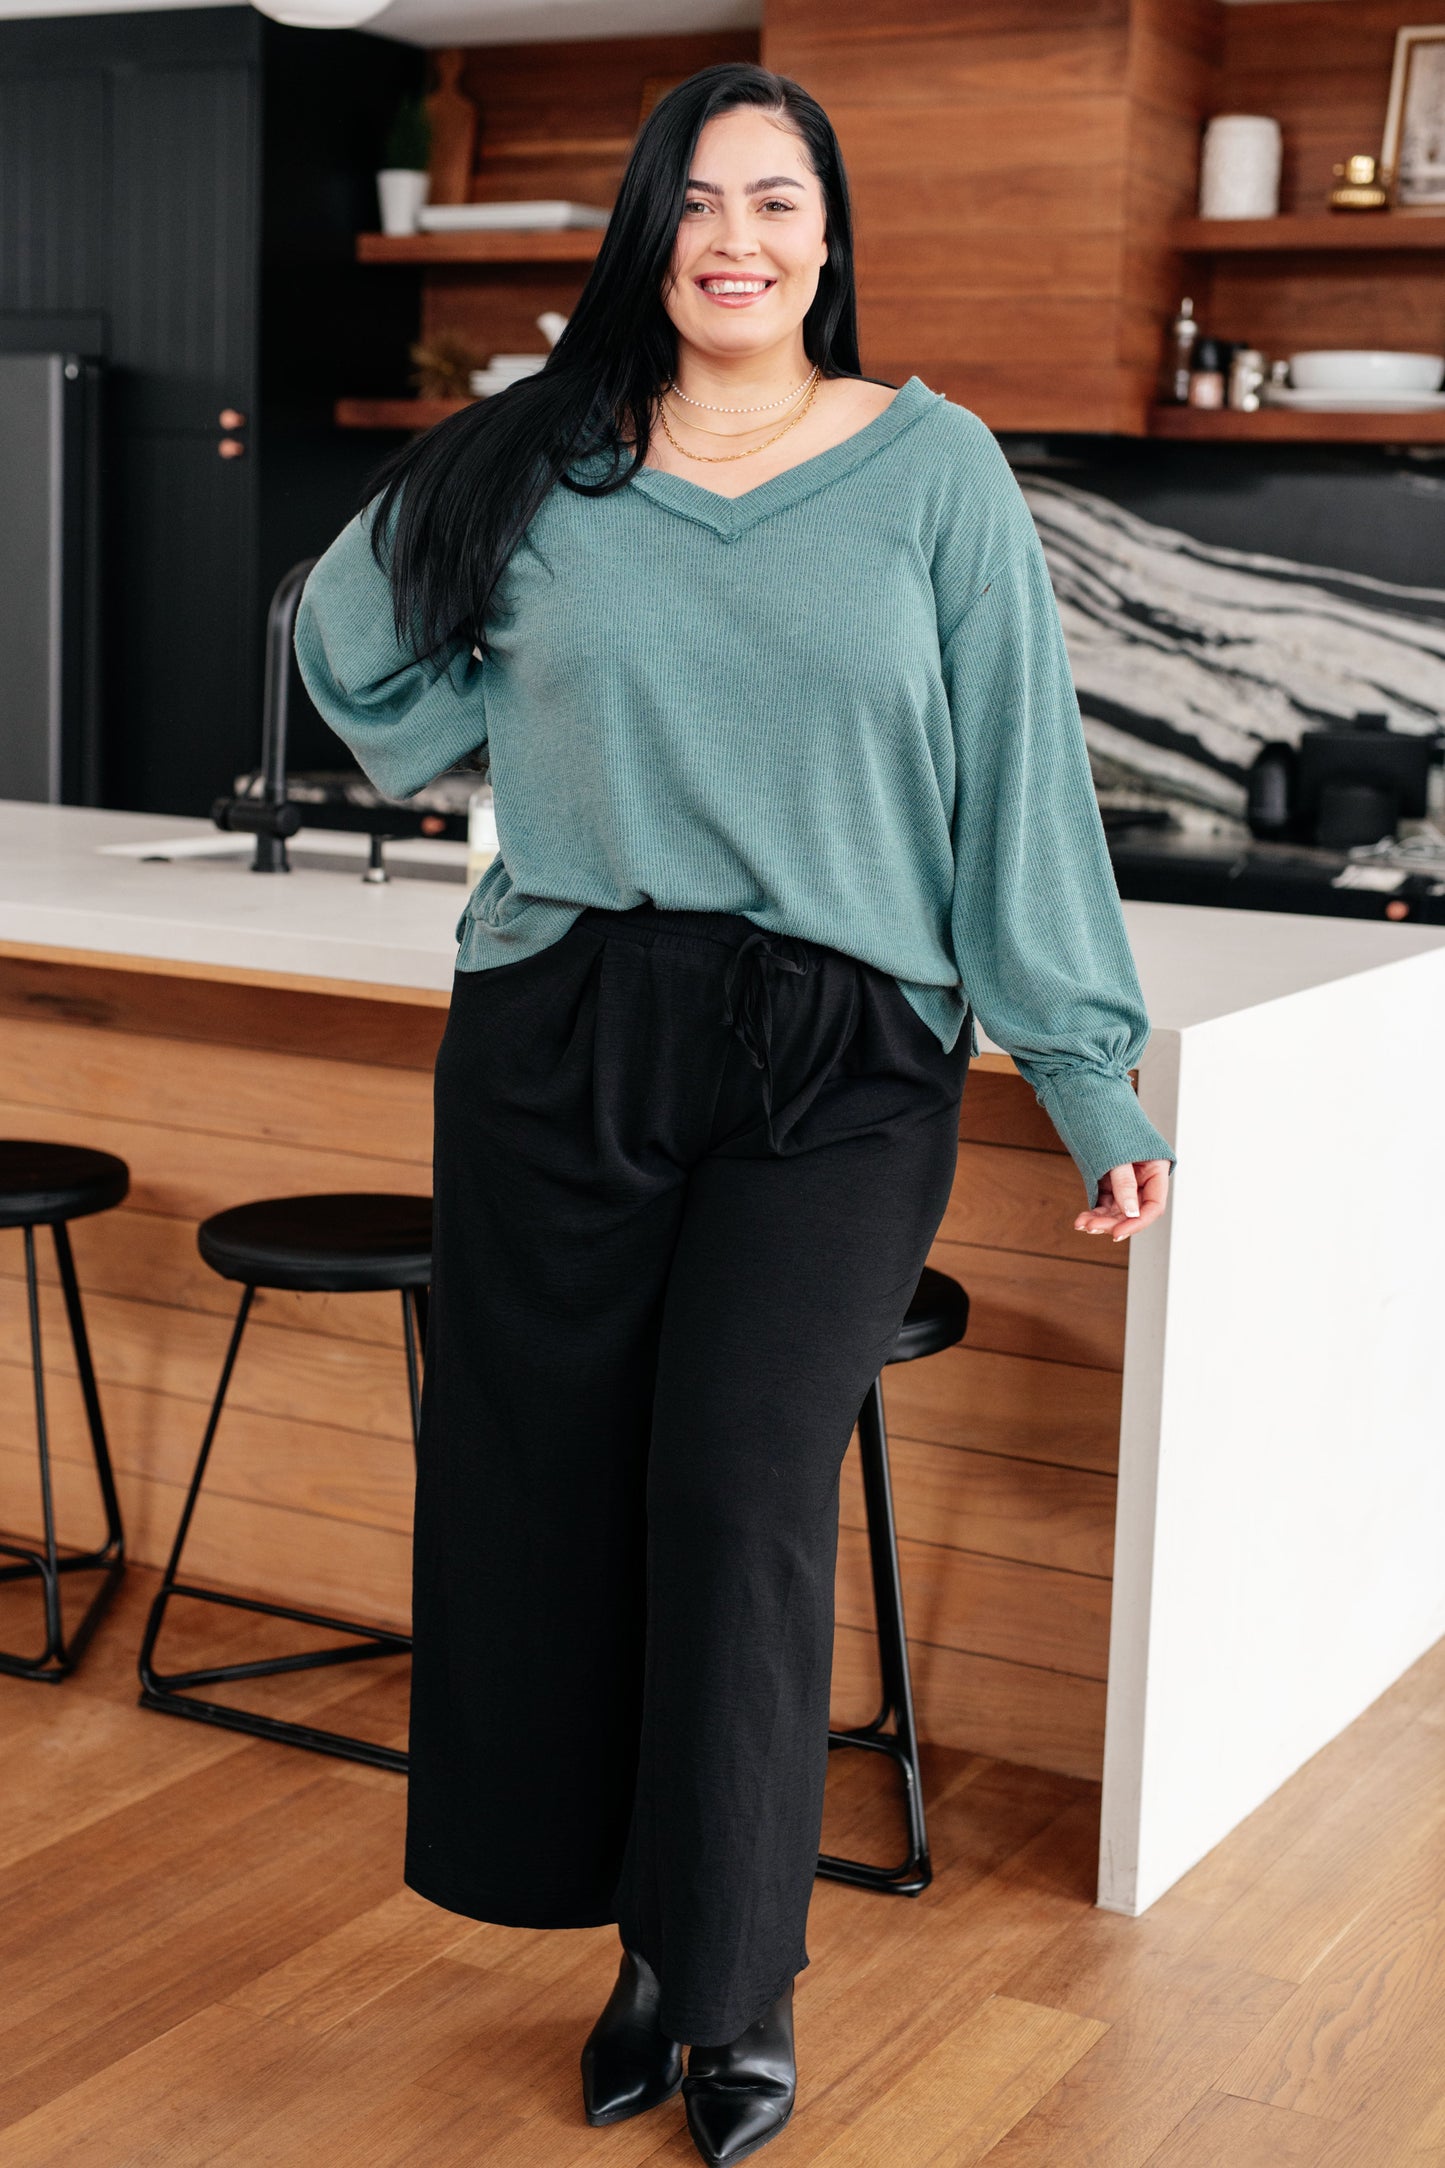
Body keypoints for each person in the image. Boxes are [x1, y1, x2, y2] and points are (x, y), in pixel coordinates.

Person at [293, 60, 1175, 2167]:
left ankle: (741, 1978)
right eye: (695, 203)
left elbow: (1015, 786)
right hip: (564, 1032)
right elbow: (352, 645)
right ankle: (647, 1946)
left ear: (830, 234)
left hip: (839, 1060)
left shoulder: (934, 466)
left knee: (738, 1494)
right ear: (647, 233)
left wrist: (1081, 1067)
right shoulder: (555, 461)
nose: (737, 236)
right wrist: (498, 494)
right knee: (559, 1497)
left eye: (777, 199)